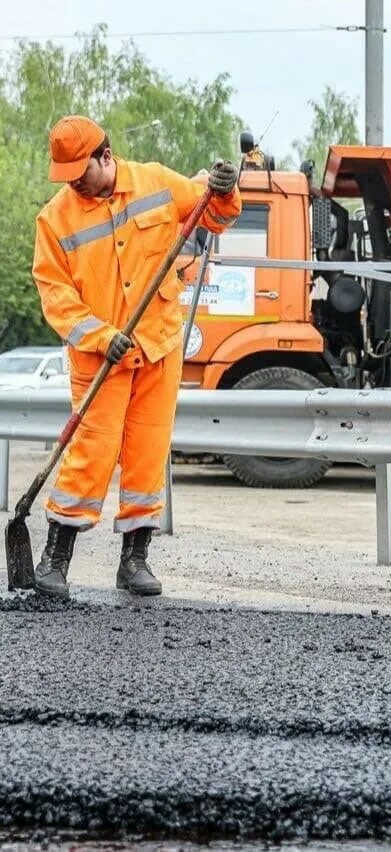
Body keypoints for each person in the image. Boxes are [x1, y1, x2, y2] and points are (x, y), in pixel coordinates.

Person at [31, 115, 242, 598]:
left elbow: (214, 217)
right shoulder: (55, 220)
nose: (75, 185)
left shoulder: (156, 183)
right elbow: (55, 296)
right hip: (99, 359)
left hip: (158, 346)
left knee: (147, 455)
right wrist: (102, 336)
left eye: (81, 172)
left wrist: (224, 193)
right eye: (66, 177)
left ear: (106, 157)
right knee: (91, 454)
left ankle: (135, 560)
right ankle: (54, 559)